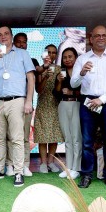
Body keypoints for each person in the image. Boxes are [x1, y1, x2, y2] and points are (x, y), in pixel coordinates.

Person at [71, 25, 106, 189]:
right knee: (87, 142)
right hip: (88, 102)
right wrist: (82, 72)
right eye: (97, 36)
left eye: (104, 35)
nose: (101, 38)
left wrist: (102, 99)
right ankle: (86, 175)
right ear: (91, 38)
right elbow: (74, 83)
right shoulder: (82, 59)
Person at [0, 26, 35, 187]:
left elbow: (31, 77)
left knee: (17, 138)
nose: (3, 37)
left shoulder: (22, 53)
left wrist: (29, 101)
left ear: (11, 36)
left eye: (6, 34)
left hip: (17, 100)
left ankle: (18, 171)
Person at [4, 32, 39, 177]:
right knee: (9, 136)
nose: (21, 44)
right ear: (13, 43)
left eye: (24, 42)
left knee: (24, 136)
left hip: (26, 104)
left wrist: (28, 102)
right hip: (10, 103)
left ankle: (25, 165)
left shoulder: (32, 61)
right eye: (18, 42)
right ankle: (9, 164)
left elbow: (35, 79)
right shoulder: (6, 60)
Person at [34, 44, 64, 173]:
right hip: (43, 104)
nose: (51, 55)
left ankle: (51, 162)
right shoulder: (40, 69)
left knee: (54, 135)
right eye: (49, 52)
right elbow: (39, 90)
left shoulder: (60, 69)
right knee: (42, 136)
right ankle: (43, 163)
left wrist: (59, 80)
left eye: (53, 53)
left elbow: (60, 90)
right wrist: (46, 75)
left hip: (56, 105)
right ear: (44, 54)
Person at [57, 47, 81, 179]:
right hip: (63, 104)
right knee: (67, 138)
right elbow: (56, 92)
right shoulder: (61, 72)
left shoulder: (80, 72)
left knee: (76, 137)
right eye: (65, 57)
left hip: (77, 103)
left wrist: (73, 93)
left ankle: (76, 168)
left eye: (70, 56)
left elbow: (85, 91)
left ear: (76, 58)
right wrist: (59, 82)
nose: (67, 59)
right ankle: (69, 167)